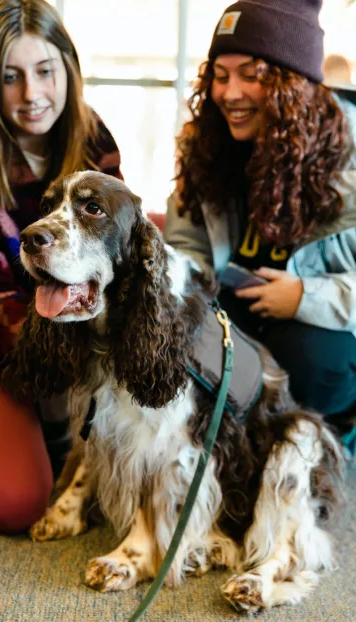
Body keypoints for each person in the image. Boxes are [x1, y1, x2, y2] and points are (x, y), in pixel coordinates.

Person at [0, 0, 123, 534]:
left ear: (67, 66)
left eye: (45, 71)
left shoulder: (93, 138)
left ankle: (53, 420)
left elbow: (112, 249)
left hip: (67, 324)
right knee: (15, 503)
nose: (32, 95)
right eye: (10, 77)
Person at [164, 0, 356, 444]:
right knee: (192, 338)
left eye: (252, 75)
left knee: (311, 358)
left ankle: (333, 428)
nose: (230, 93)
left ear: (294, 84)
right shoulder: (209, 147)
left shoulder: (348, 153)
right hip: (235, 312)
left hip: (321, 327)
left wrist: (305, 296)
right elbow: (186, 246)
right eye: (220, 74)